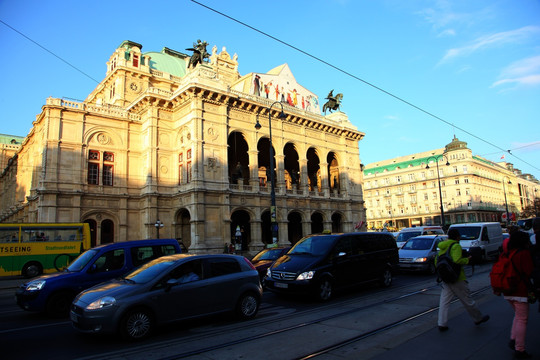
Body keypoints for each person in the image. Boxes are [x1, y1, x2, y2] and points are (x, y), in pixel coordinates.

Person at [436, 228, 489, 331]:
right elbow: (457, 260)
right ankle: (478, 318)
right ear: (457, 237)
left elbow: (437, 261)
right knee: (467, 299)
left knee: (444, 301)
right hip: (457, 278)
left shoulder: (442, 247)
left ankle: (442, 323)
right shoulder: (456, 246)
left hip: (446, 278)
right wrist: (467, 259)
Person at [504, 231, 535, 358]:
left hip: (508, 289)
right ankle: (519, 349)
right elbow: (529, 271)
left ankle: (513, 339)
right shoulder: (523, 253)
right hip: (520, 290)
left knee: (518, 315)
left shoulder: (508, 253)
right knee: (522, 319)